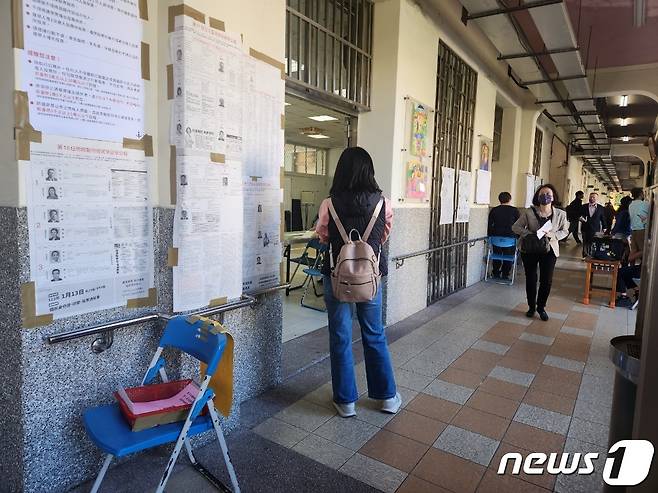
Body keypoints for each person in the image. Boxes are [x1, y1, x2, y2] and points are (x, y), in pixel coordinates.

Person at [315, 146, 398, 418]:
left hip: (337, 275)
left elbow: (323, 236)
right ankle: (386, 397)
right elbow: (383, 236)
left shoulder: (329, 202)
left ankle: (346, 401)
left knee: (340, 336)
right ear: (369, 170)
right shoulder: (383, 202)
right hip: (370, 277)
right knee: (374, 333)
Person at [512, 184, 569, 321]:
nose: (545, 197)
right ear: (538, 197)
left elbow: (565, 231)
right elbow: (515, 227)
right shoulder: (529, 212)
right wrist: (529, 234)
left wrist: (552, 235)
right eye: (542, 194)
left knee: (546, 280)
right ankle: (531, 307)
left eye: (548, 194)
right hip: (530, 249)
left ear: (553, 196)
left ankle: (541, 307)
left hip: (549, 250)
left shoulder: (561, 214)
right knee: (531, 279)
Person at [487, 191, 520, 279]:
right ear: (510, 199)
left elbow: (489, 224)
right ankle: (505, 273)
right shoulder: (514, 210)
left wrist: (490, 235)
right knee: (508, 255)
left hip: (496, 237)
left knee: (496, 254)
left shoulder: (494, 210)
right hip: (511, 238)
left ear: (499, 200)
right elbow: (519, 225)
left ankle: (496, 272)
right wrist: (518, 236)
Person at [579, 192, 608, 258]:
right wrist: (580, 218)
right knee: (585, 242)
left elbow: (603, 218)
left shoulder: (601, 208)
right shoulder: (584, 206)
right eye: (590, 197)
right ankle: (585, 255)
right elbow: (579, 215)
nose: (591, 198)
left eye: (593, 197)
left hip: (595, 228)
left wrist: (605, 227)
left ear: (597, 199)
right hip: (585, 227)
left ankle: (592, 255)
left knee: (593, 242)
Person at [629, 187, 649, 260]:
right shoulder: (645, 204)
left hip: (633, 230)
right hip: (642, 230)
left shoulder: (631, 205)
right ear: (641, 194)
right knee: (644, 250)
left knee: (634, 250)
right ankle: (628, 259)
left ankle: (629, 268)